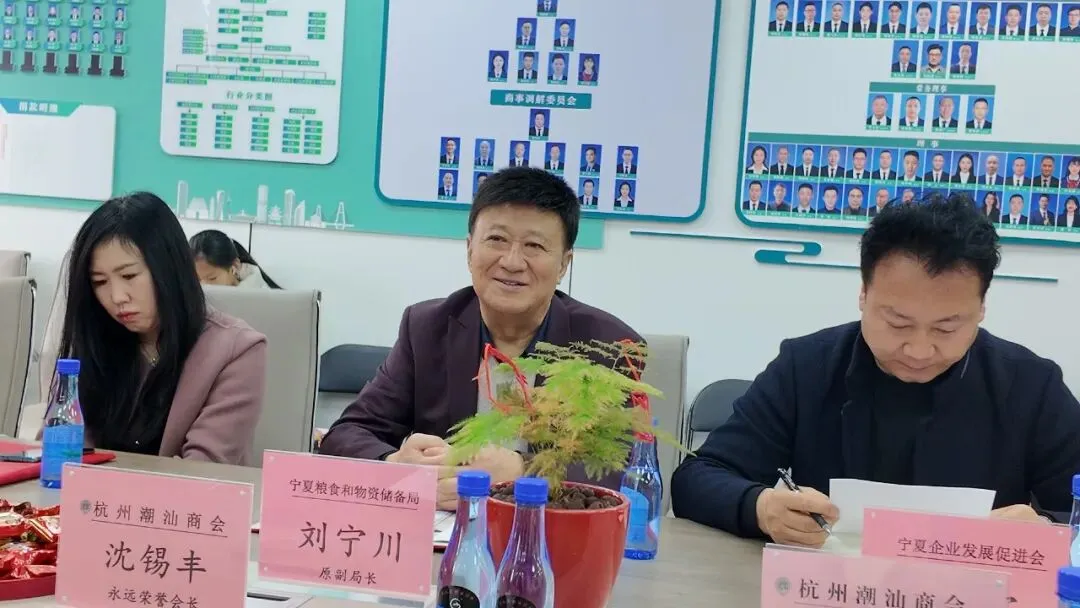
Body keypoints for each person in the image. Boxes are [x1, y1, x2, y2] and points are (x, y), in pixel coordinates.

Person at [671, 193, 1080, 544]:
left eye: (946, 328)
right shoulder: (807, 367)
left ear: (982, 309)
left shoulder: (1032, 386)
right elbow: (697, 477)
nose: (919, 350)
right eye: (898, 324)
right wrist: (761, 508)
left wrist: (1047, 529)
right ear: (864, 295)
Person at [318, 167, 644, 507]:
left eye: (534, 245)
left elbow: (622, 471)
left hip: (550, 530)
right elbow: (346, 434)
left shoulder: (607, 346)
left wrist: (523, 471)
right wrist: (396, 464)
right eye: (496, 240)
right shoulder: (427, 327)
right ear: (470, 248)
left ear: (564, 264)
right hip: (446, 528)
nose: (512, 262)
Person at [44, 193, 266, 464]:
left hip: (180, 493)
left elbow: (204, 469)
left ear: (169, 267)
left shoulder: (237, 350)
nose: (117, 297)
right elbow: (58, 451)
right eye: (100, 282)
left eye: (129, 276)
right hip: (89, 491)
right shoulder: (96, 339)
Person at [189, 230, 281, 289]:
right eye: (197, 280)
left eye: (212, 278)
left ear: (235, 266)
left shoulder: (259, 296)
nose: (204, 286)